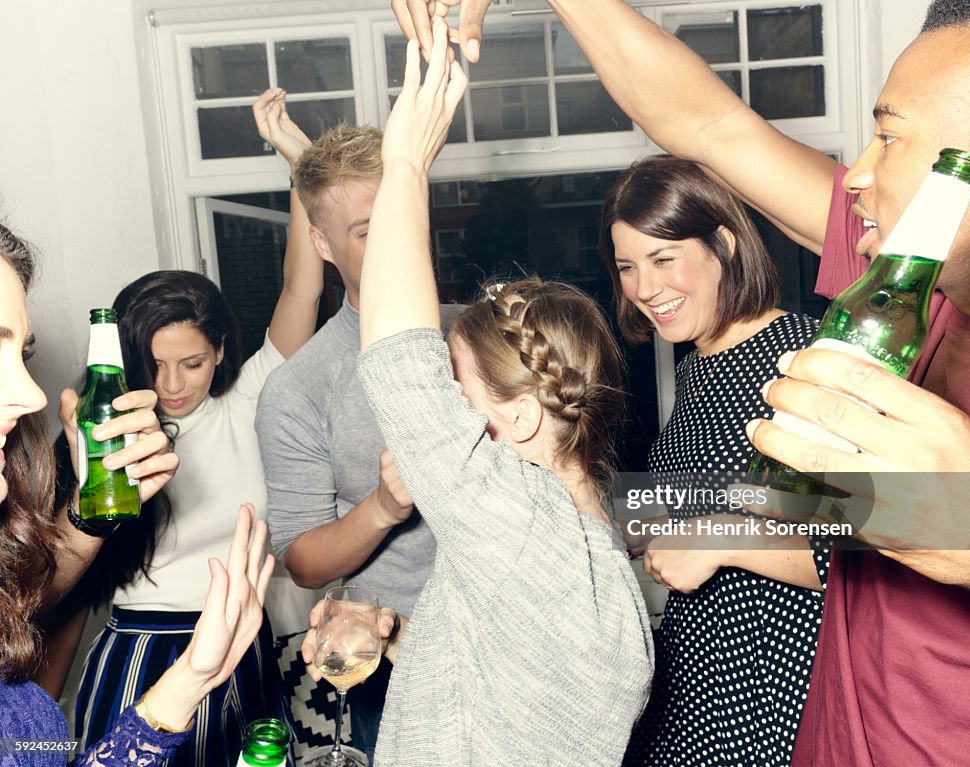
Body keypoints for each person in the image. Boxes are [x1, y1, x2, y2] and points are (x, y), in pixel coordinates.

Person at [392, 0, 970, 764]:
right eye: (627, 267)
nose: (856, 171)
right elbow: (711, 126)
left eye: (889, 136)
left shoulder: (832, 339)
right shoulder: (896, 292)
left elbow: (819, 524)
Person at [310, 24, 653, 766]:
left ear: (520, 416)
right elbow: (510, 699)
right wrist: (400, 636)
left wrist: (404, 164)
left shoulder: (527, 526)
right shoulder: (565, 535)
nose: (443, 413)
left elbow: (398, 363)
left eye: (456, 390)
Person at [72, 88, 323, 766]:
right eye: (154, 365)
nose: (173, 384)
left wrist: (298, 165)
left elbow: (302, 287)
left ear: (219, 349)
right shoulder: (109, 429)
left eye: (191, 362)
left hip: (242, 647)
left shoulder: (248, 402)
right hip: (141, 652)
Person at [0, 221, 275, 767]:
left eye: (22, 354)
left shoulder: (241, 408)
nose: (30, 394)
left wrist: (91, 515)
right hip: (138, 652)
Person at [254, 102, 462, 763]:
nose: (400, 242)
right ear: (322, 244)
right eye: (372, 229)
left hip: (517, 635)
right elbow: (304, 560)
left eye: (405, 217)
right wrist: (383, 507)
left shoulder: (490, 338)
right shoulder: (298, 388)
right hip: (391, 659)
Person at [602, 155, 825, 766]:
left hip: (778, 706)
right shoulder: (698, 363)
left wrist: (725, 538)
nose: (645, 288)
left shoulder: (807, 359)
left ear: (723, 244)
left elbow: (885, 535)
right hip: (697, 692)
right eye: (627, 266)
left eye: (663, 258)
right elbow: (706, 498)